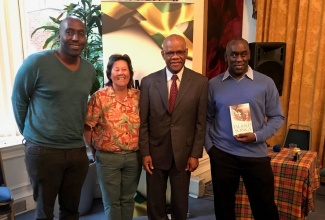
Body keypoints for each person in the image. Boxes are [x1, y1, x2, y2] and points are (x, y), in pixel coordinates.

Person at [11, 16, 96, 219]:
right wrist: (30, 135)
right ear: (59, 35)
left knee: (71, 211)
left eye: (81, 33)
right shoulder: (37, 63)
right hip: (43, 151)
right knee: (44, 212)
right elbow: (19, 100)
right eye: (69, 32)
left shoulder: (89, 70)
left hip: (76, 151)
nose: (76, 37)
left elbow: (82, 103)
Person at [205, 37, 284, 220]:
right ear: (226, 56)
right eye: (234, 54)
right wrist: (211, 148)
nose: (239, 59)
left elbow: (277, 117)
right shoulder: (213, 84)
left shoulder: (265, 83)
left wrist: (257, 136)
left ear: (249, 55)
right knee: (223, 208)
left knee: (265, 207)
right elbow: (207, 119)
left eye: (243, 54)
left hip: (255, 154)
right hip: (223, 155)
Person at [139, 34, 208, 220]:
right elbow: (143, 122)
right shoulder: (148, 82)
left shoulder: (201, 83)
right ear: (163, 54)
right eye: (170, 52)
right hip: (154, 153)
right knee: (155, 204)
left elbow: (201, 123)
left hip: (183, 155)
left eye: (179, 52)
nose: (175, 56)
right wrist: (145, 152)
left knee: (180, 204)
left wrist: (195, 154)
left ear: (186, 53)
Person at [84, 54, 141, 220]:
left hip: (133, 157)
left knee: (128, 199)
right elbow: (88, 126)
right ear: (110, 73)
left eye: (125, 69)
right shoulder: (99, 97)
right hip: (108, 158)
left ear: (130, 73)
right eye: (117, 69)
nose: (121, 73)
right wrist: (93, 150)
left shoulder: (138, 96)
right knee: (112, 202)